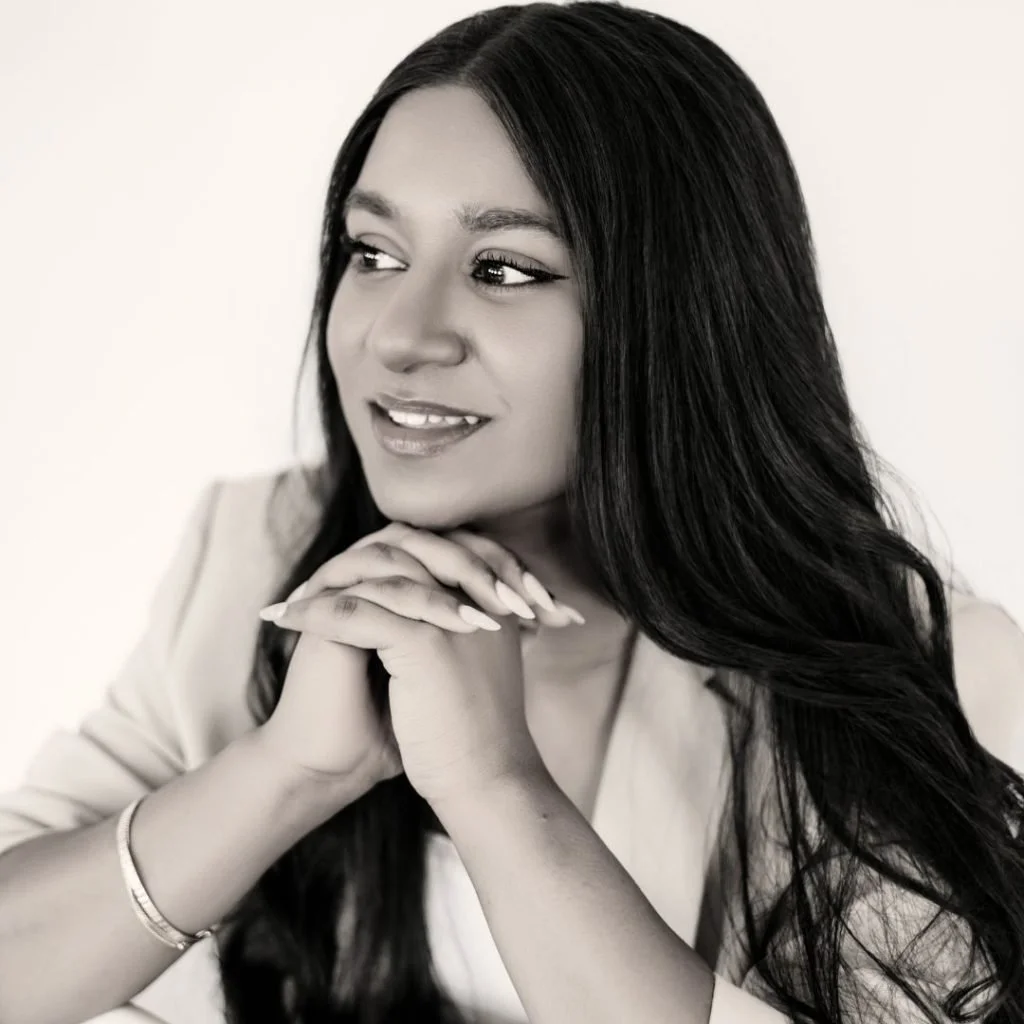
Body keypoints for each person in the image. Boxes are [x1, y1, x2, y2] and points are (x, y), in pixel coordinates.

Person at [1, 3, 1023, 1022]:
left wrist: (496, 790)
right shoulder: (251, 558)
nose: (399, 336)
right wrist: (285, 772)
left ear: (675, 313)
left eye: (504, 269)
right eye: (372, 252)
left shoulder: (935, 676)